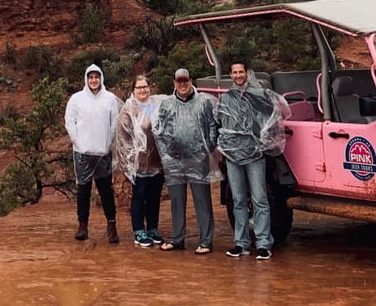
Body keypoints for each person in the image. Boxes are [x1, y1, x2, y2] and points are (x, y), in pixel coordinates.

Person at [214, 58, 290, 261]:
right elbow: (219, 123)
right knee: (238, 200)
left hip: (255, 155)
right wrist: (222, 147)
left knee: (260, 199)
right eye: (234, 72)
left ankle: (264, 244)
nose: (238, 75)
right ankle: (241, 243)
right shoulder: (226, 99)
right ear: (230, 75)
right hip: (232, 156)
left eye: (241, 71)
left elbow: (272, 123)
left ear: (247, 73)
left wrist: (261, 143)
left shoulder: (260, 96)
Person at [152, 67, 219, 255]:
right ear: (174, 83)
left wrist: (208, 148)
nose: (182, 84)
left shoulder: (203, 102)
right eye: (179, 81)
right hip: (174, 161)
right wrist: (166, 155)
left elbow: (213, 126)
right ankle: (178, 239)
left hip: (198, 159)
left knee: (202, 200)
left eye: (185, 81)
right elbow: (159, 131)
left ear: (191, 81)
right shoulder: (167, 104)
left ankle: (206, 241)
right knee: (177, 201)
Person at [64, 63, 122, 243]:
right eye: (91, 77)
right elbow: (69, 121)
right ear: (86, 79)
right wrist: (77, 141)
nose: (94, 80)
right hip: (82, 152)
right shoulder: (76, 99)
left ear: (101, 78)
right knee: (83, 190)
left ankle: (111, 225)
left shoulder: (110, 99)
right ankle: (83, 225)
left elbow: (115, 122)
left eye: (97, 77)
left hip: (103, 152)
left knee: (106, 191)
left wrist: (108, 143)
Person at [114, 75, 165, 247]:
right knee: (139, 196)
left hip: (157, 162)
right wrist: (128, 164)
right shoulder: (128, 110)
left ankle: (153, 228)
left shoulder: (157, 105)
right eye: (139, 88)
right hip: (139, 164)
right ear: (133, 90)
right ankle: (139, 231)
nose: (143, 90)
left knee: (154, 197)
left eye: (145, 86)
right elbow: (122, 138)